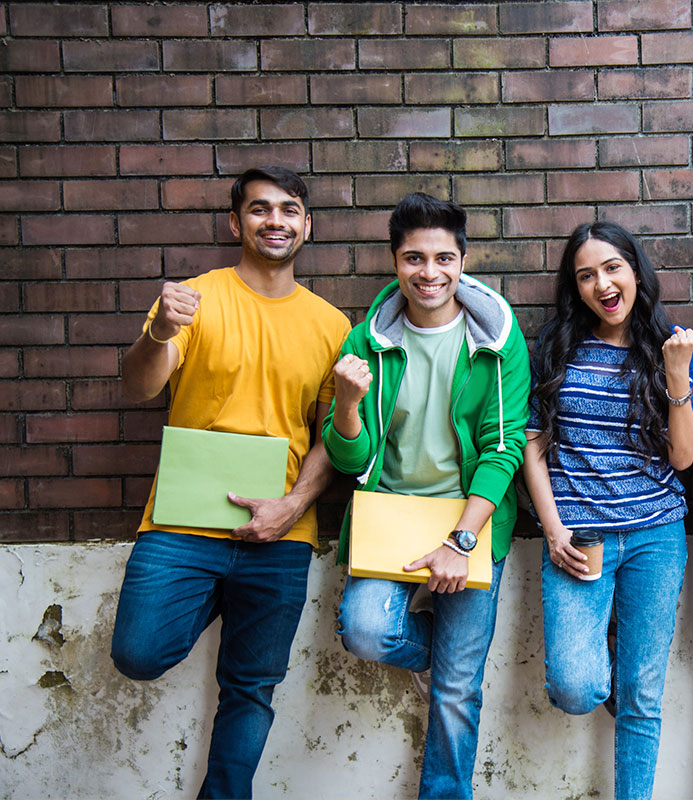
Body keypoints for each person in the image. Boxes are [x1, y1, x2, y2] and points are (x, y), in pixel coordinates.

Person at [110, 166, 351, 799]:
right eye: (260, 209)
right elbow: (140, 386)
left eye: (290, 210)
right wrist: (160, 332)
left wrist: (295, 503)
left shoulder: (332, 325)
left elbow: (332, 436)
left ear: (308, 225)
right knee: (137, 653)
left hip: (281, 533)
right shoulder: (192, 299)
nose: (276, 221)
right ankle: (214, 591)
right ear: (235, 222)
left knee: (251, 688)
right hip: (182, 526)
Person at [322, 192, 530, 799]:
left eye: (443, 258)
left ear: (463, 261)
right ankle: (442, 658)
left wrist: (460, 541)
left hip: (470, 520)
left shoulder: (497, 338)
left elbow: (504, 448)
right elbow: (351, 460)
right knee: (364, 630)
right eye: (414, 258)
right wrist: (346, 404)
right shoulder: (366, 342)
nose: (429, 273)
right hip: (389, 514)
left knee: (459, 691)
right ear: (395, 262)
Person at [523, 221, 693, 800]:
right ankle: (614, 670)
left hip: (657, 535)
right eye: (586, 275)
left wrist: (677, 377)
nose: (602, 283)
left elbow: (682, 459)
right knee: (576, 685)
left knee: (644, 697)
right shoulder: (557, 346)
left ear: (635, 270)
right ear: (575, 288)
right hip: (581, 538)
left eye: (612, 268)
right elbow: (531, 442)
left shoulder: (672, 345)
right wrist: (552, 530)